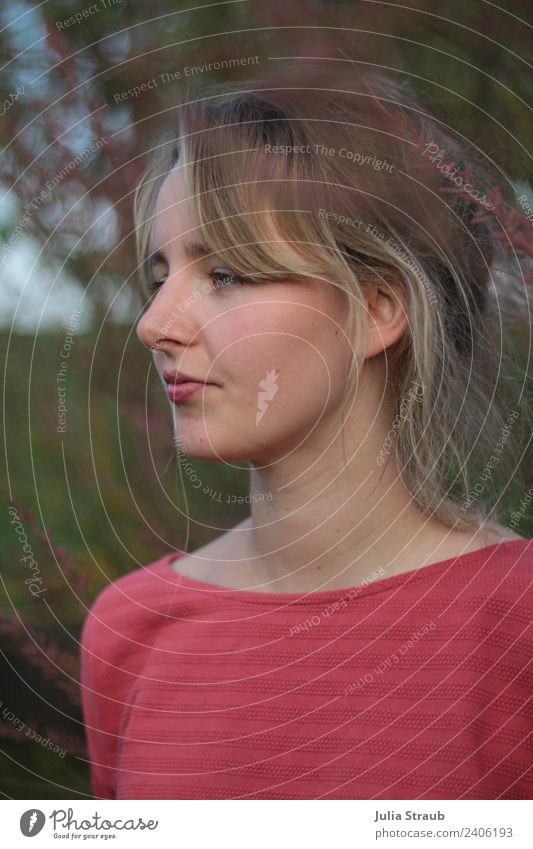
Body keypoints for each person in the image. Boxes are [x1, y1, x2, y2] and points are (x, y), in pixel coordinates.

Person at [80, 62, 532, 799]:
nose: (154, 324)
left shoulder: (515, 623)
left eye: (225, 273)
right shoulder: (132, 631)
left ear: (378, 307)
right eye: (160, 276)